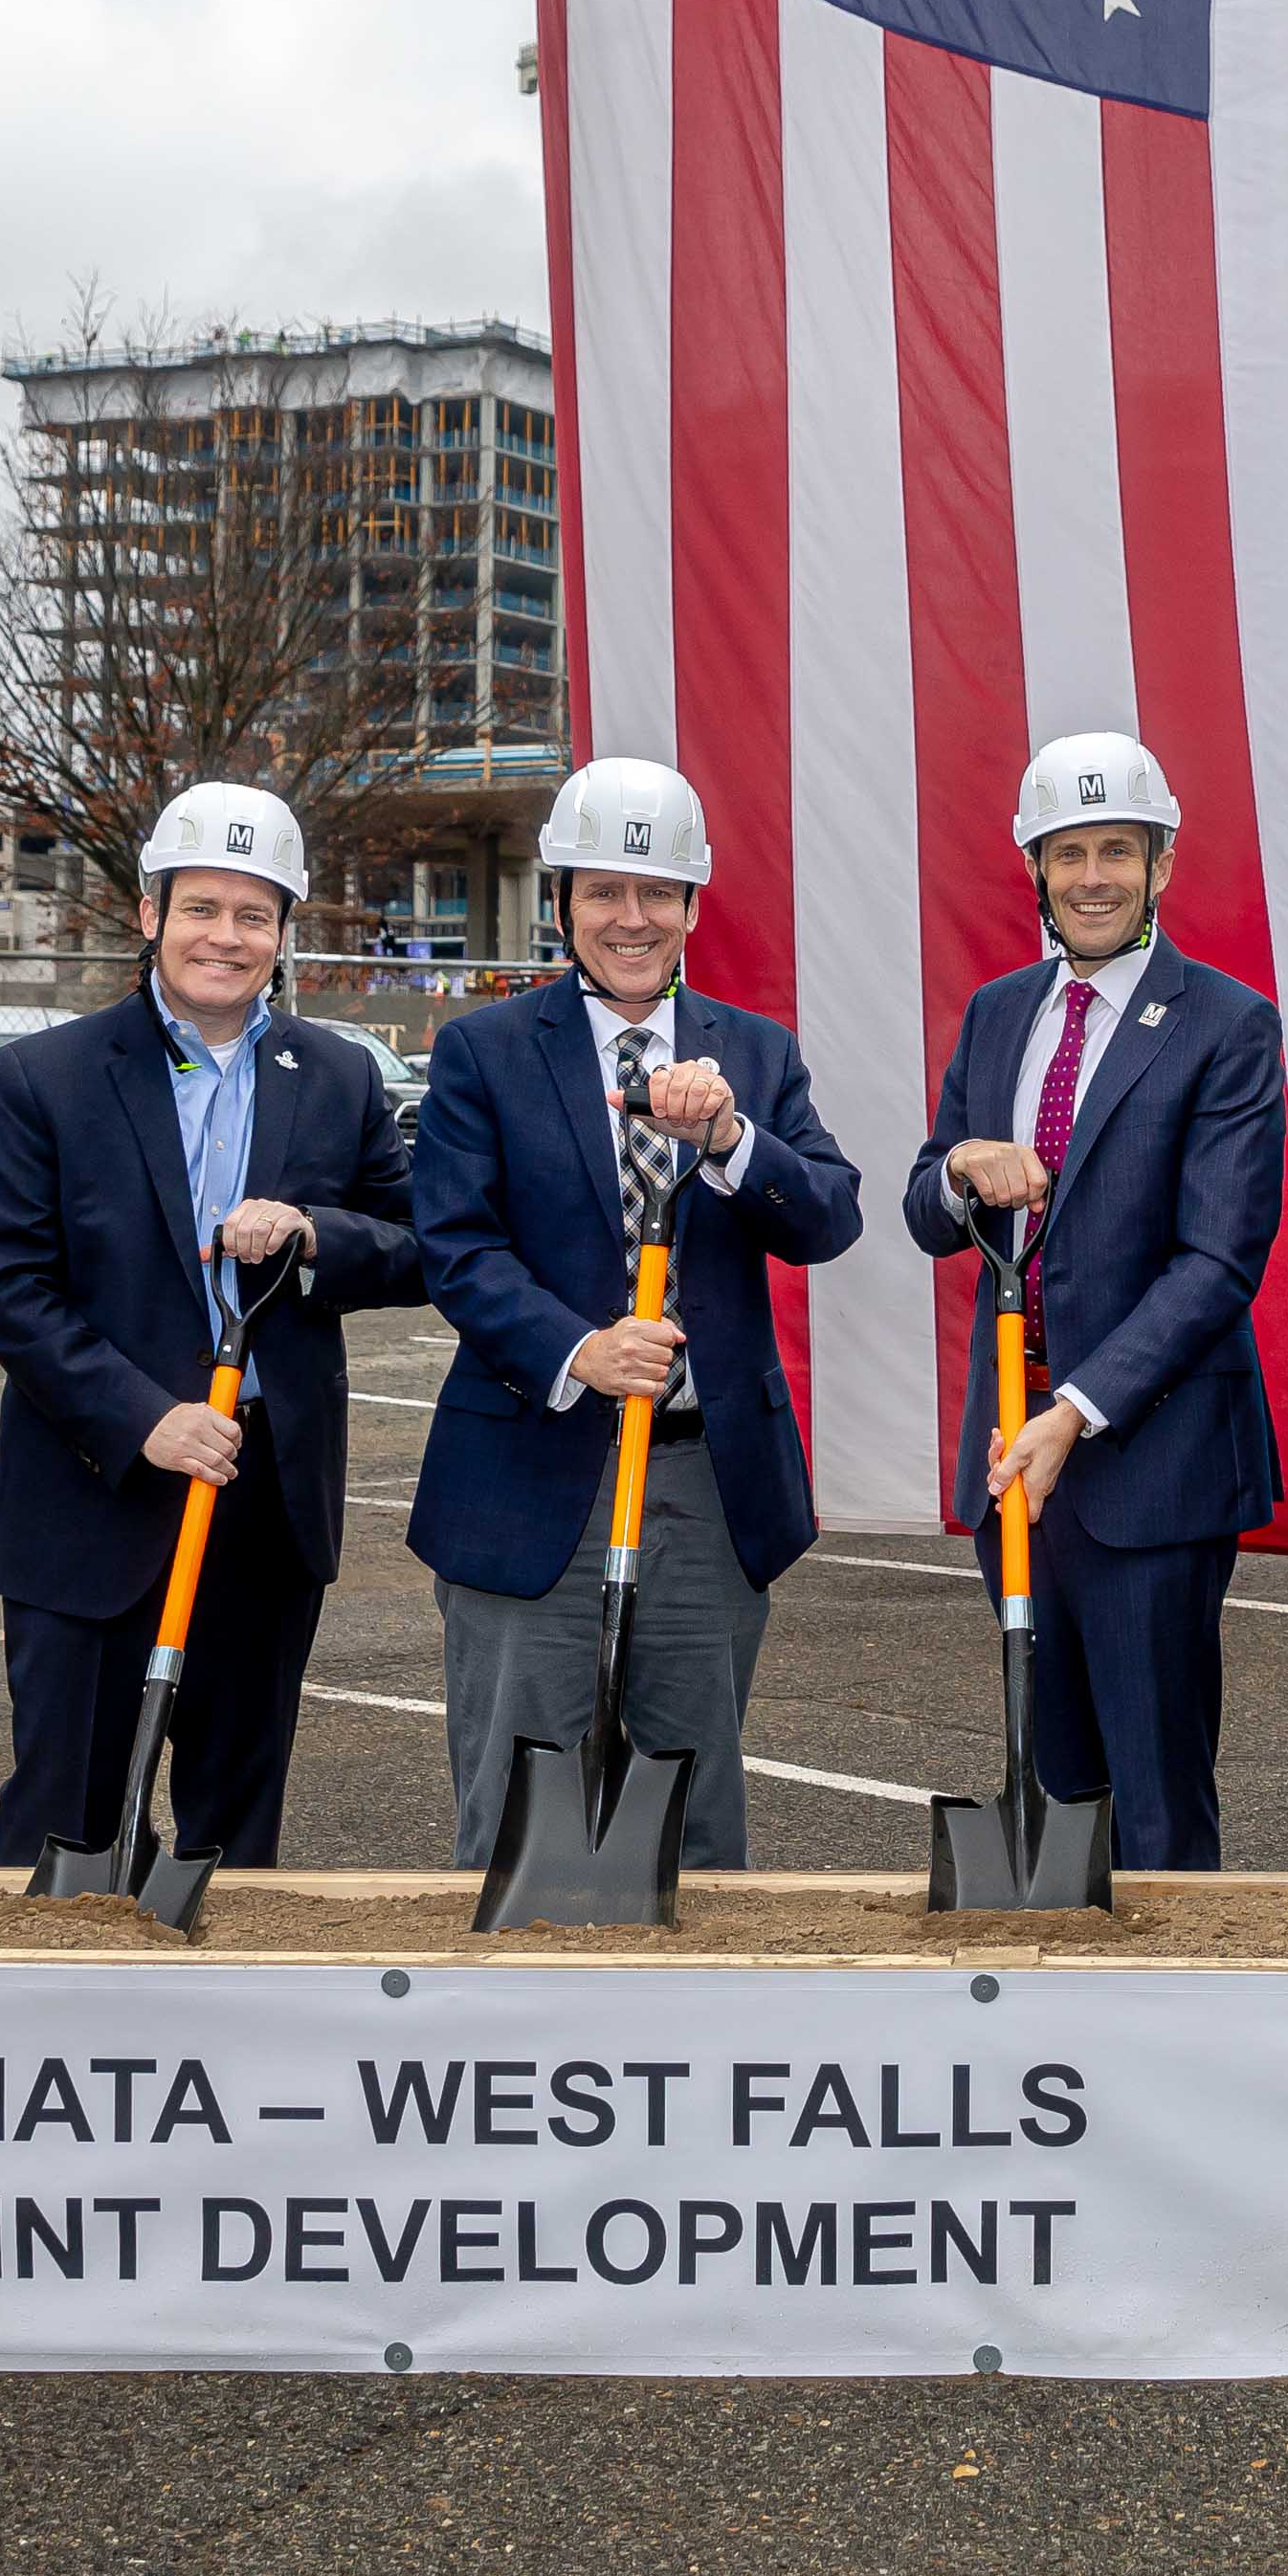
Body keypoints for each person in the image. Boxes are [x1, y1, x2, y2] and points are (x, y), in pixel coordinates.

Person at [0, 782, 427, 1876]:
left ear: (283, 930)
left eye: (254, 913)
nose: (226, 936)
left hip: (266, 1503)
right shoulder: (45, 1078)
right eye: (202, 907)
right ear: (150, 913)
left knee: (233, 1837)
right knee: (65, 1828)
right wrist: (145, 1419)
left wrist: (314, 1234)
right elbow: (11, 1291)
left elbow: (417, 1246)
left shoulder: (339, 1075)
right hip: (94, 1497)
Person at [411, 758, 863, 1872]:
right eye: (604, 889)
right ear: (562, 901)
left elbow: (828, 1216)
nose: (632, 916)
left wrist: (731, 1142)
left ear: (693, 905)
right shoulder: (483, 1051)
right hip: (532, 1467)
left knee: (691, 1819)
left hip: (703, 1481)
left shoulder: (755, 1051)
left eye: (658, 890)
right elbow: (457, 1248)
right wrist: (581, 1348)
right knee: (523, 1816)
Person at [902, 730, 1288, 1872]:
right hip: (1010, 1454)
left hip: (1147, 1463)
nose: (1093, 877)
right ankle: (1065, 1974)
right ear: (1036, 866)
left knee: (1157, 1804)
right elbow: (929, 1209)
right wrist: (960, 1166)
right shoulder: (998, 1011)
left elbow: (1218, 1260)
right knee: (1057, 1780)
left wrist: (1075, 1409)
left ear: (1162, 862)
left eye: (1118, 849)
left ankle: (1171, 1986)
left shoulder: (1227, 1022)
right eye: (1068, 852)